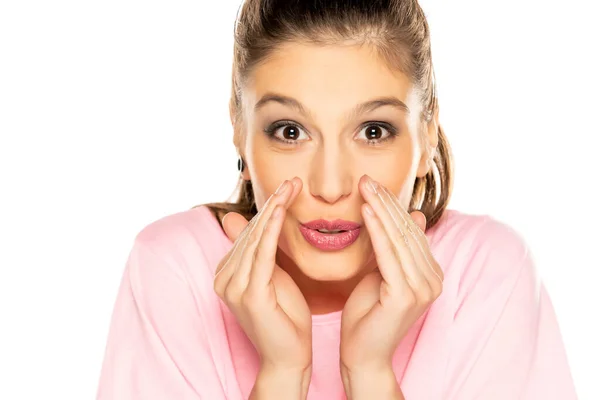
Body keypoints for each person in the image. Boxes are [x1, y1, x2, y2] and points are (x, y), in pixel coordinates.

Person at [96, 0, 577, 399]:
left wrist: (368, 374)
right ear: (241, 131)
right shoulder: (175, 268)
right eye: (290, 131)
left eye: (373, 131)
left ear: (427, 136)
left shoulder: (485, 272)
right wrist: (283, 374)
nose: (330, 186)